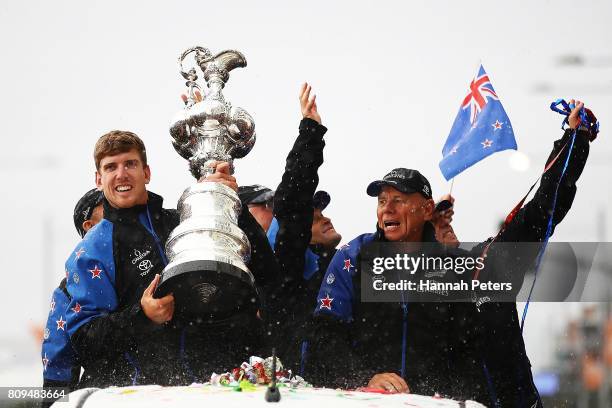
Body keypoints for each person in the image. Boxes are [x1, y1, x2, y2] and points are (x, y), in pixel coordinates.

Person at [309, 100, 595, 407]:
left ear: (426, 209)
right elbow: (323, 342)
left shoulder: (467, 268)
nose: (387, 208)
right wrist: (365, 378)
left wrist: (573, 142)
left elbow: (539, 215)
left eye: (399, 199)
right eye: (381, 201)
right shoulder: (353, 258)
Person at [63, 130, 279, 387]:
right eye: (111, 167)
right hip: (146, 394)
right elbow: (83, 340)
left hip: (219, 384)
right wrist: (141, 316)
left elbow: (266, 272)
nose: (121, 174)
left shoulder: (183, 220)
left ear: (147, 173)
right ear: (99, 179)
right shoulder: (92, 250)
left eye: (130, 164)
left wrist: (230, 206)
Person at [41, 188, 104, 405]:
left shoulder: (158, 259)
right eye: (110, 211)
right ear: (89, 227)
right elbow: (57, 371)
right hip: (108, 395)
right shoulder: (69, 292)